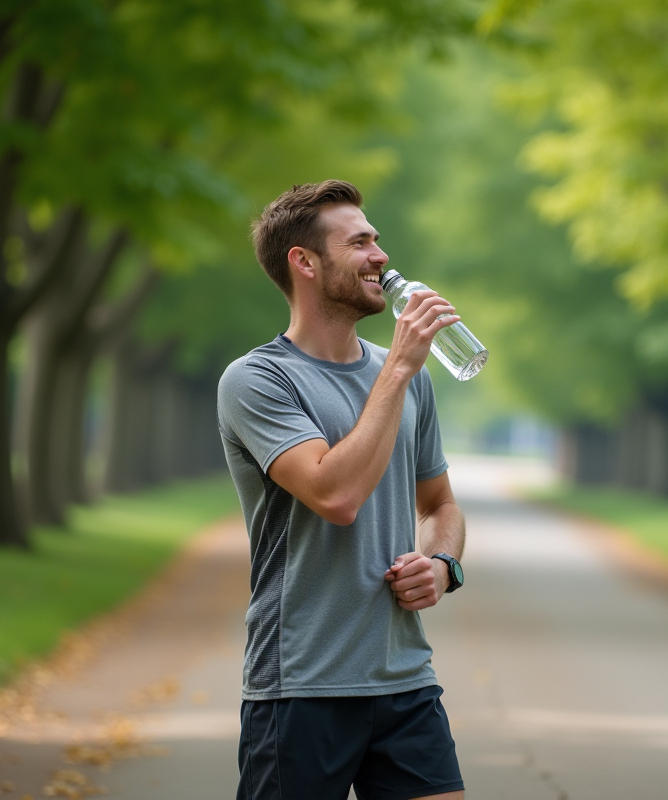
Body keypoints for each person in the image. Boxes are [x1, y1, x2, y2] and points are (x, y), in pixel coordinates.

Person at [218, 179, 467, 800]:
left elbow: (439, 505)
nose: (381, 257)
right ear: (303, 262)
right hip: (301, 686)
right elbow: (336, 495)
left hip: (405, 679)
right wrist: (401, 367)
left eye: (377, 240)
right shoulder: (257, 380)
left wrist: (442, 565)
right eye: (359, 243)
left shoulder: (408, 378)